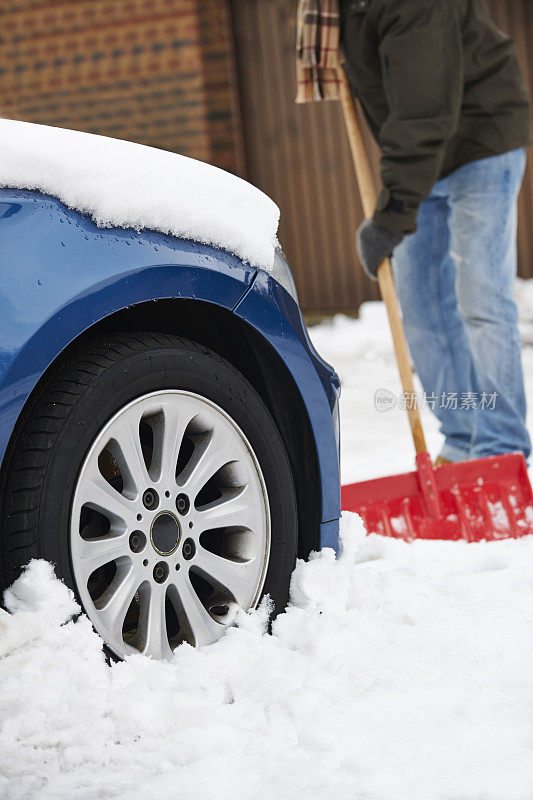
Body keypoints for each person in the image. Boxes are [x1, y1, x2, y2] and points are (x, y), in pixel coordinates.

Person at [296, 0, 531, 463]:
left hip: (480, 141)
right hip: (424, 159)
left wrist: (391, 217)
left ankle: (502, 450)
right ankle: (463, 438)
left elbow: (424, 110)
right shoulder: (330, 11)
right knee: (421, 300)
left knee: (480, 296)